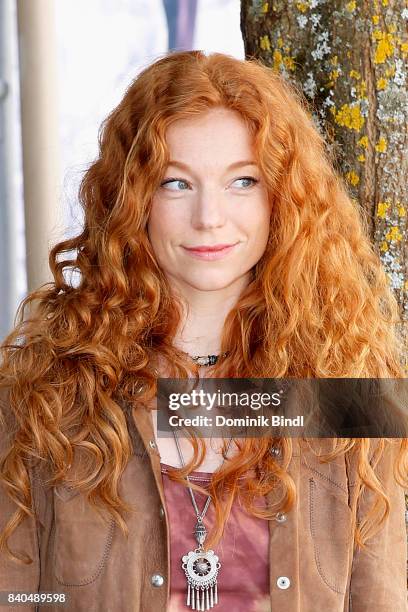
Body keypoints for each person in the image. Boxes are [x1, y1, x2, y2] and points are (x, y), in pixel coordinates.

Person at [0, 49, 407, 612]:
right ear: (132, 199)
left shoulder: (352, 387)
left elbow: (381, 597)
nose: (210, 216)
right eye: (175, 183)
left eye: (242, 180)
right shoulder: (47, 390)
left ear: (282, 199)